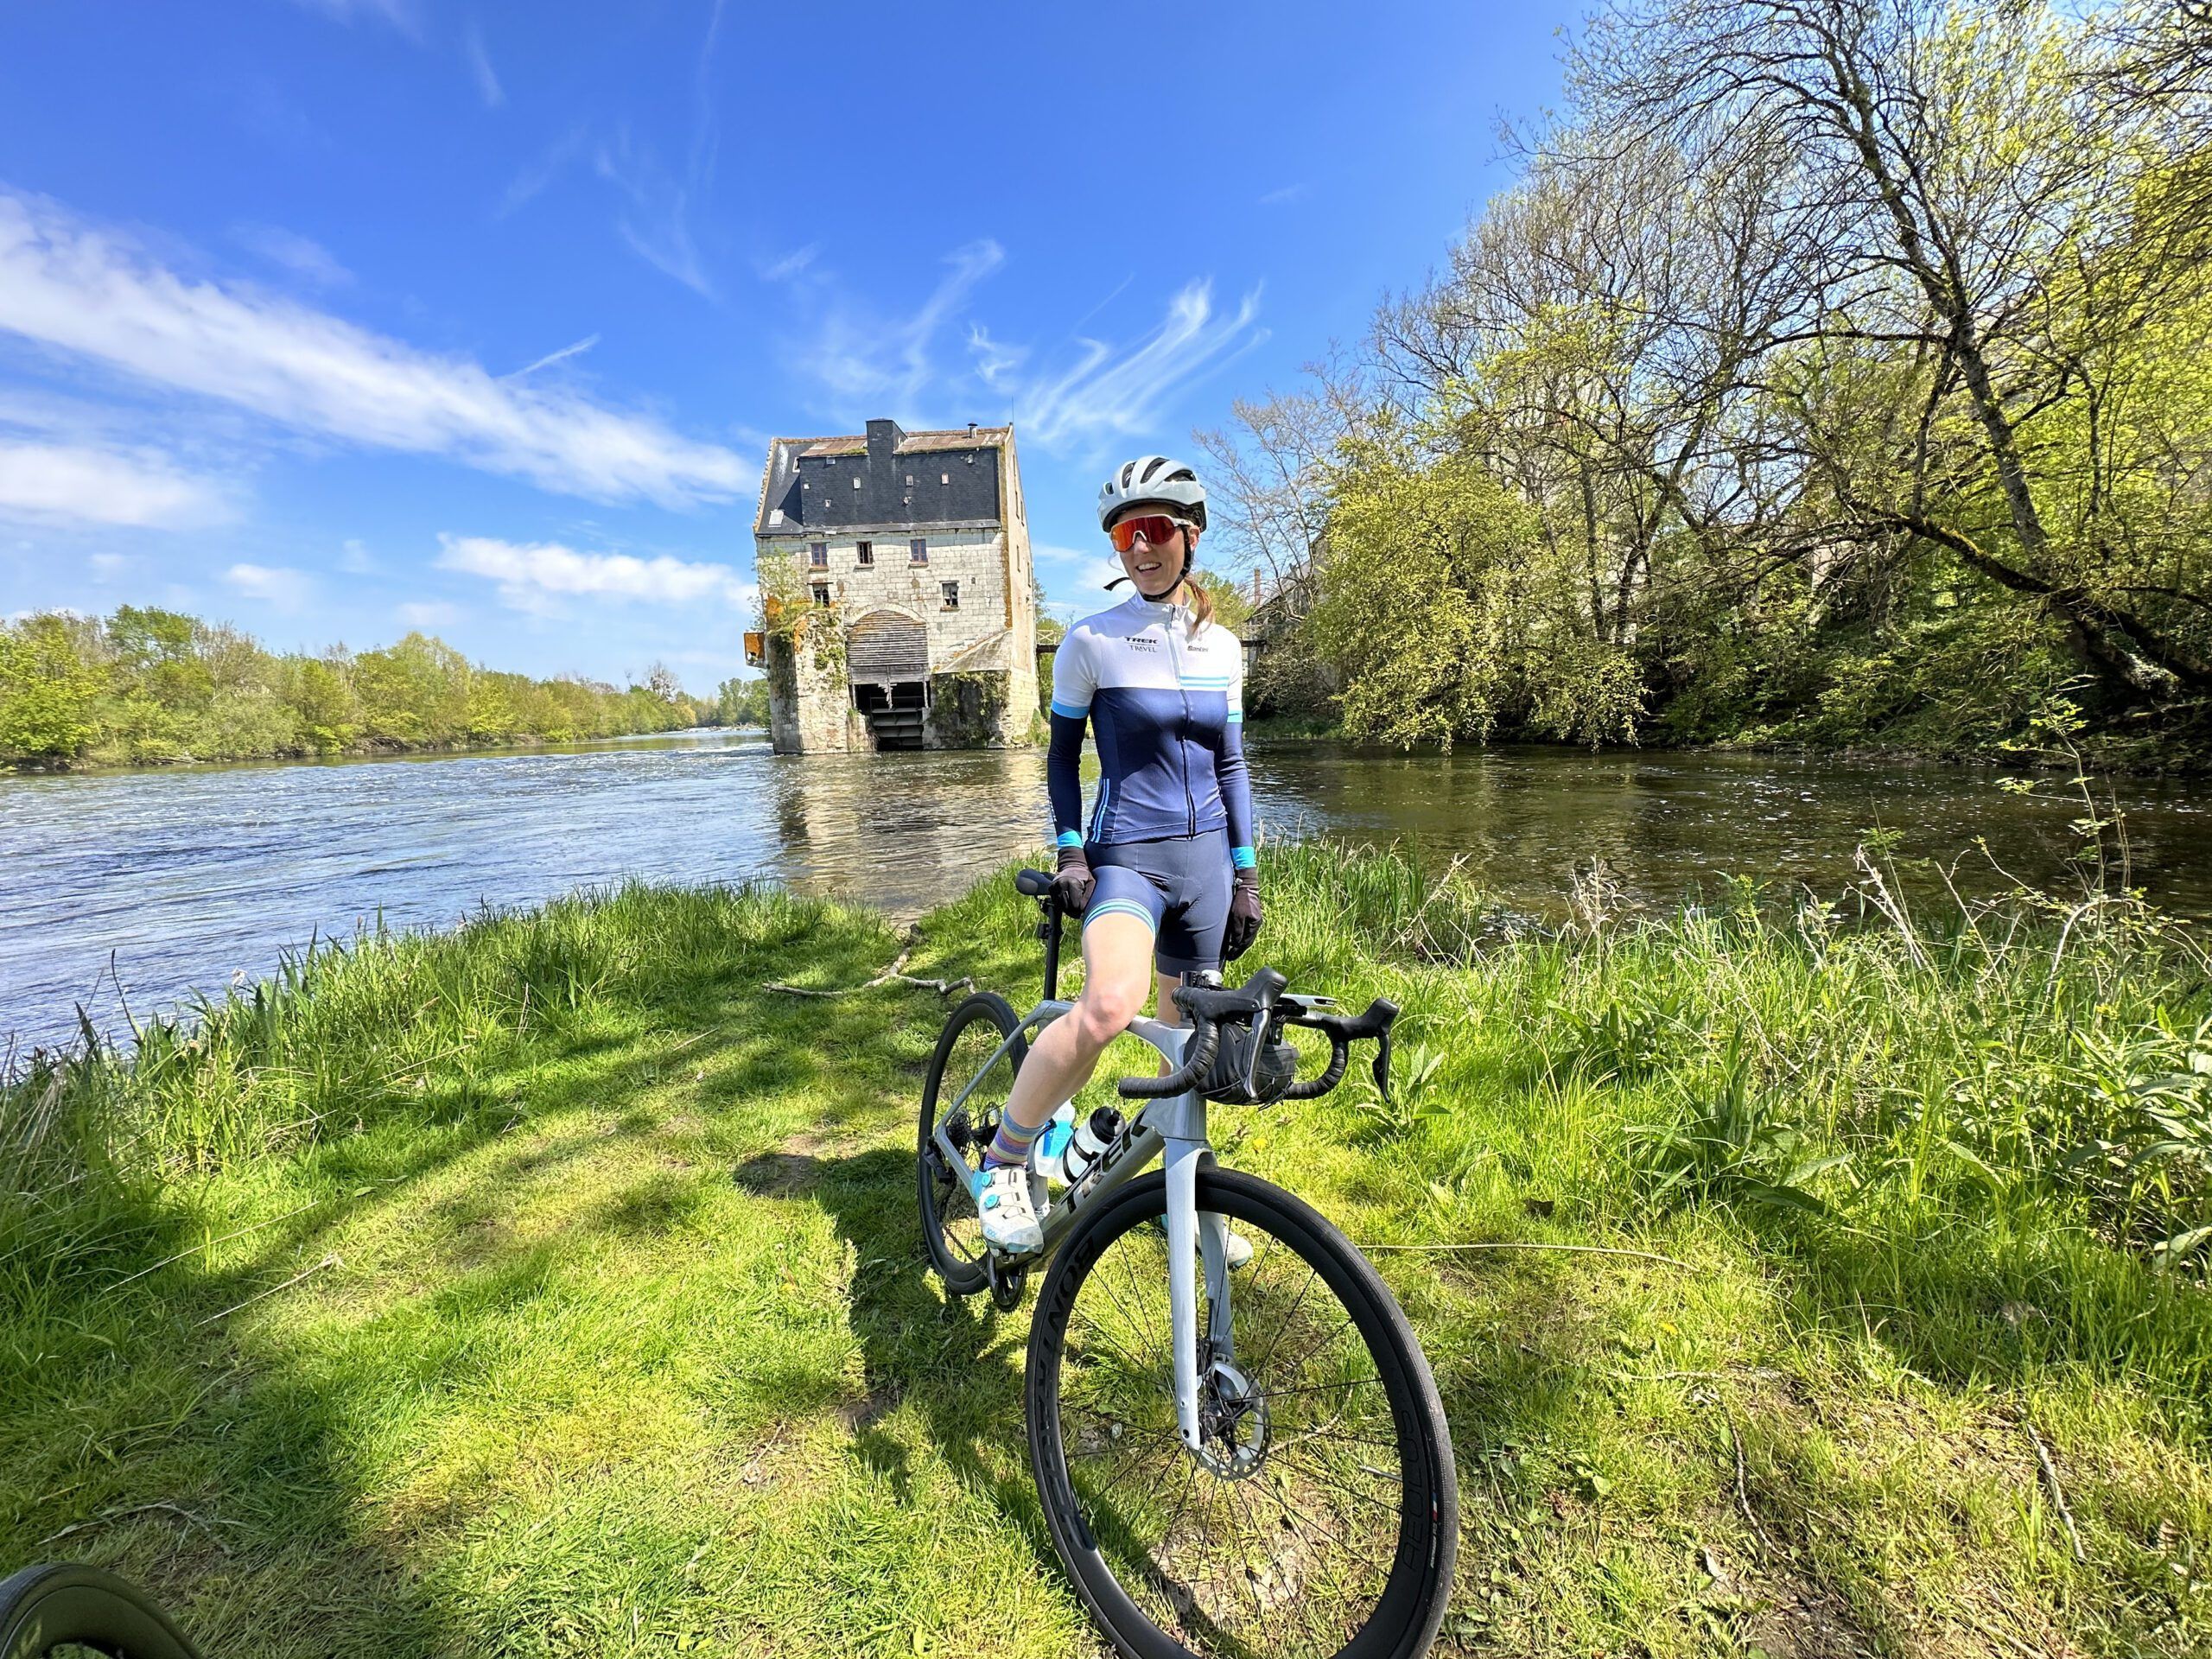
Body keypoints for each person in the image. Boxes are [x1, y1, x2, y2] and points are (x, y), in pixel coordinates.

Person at [972, 454, 1261, 1252]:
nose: (1142, 547)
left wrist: (1246, 876)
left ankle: (1189, 1204)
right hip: (1128, 853)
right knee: (1106, 1005)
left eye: (1157, 530)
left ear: (1189, 537)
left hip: (1206, 872)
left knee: (1189, 1054)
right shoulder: (1090, 642)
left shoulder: (1224, 647)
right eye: (1127, 533)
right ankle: (1005, 1159)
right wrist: (1071, 853)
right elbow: (1061, 759)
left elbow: (1231, 765)